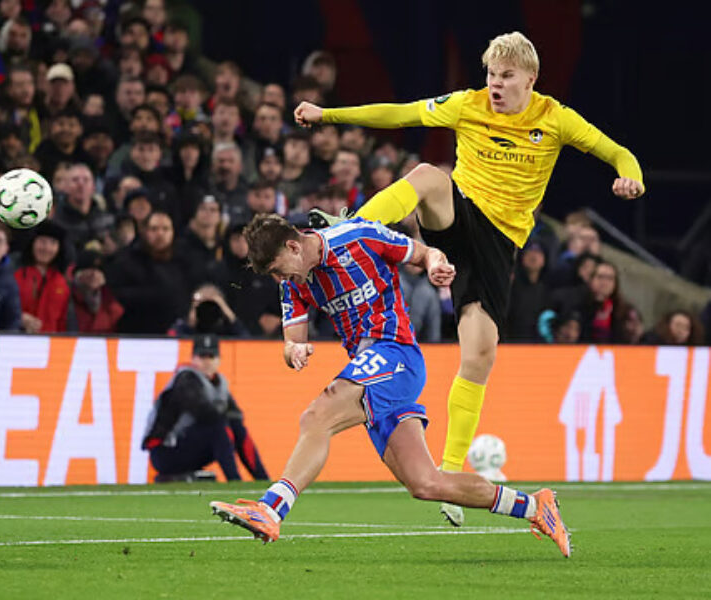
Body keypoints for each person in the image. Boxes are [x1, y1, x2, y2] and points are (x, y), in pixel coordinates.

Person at [296, 31, 644, 526]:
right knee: (429, 177)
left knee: (479, 354)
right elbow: (400, 113)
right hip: (459, 217)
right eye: (490, 75)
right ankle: (349, 231)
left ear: (530, 78)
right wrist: (329, 114)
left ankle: (451, 476)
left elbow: (618, 152)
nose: (495, 85)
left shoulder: (555, 118)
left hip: (500, 245)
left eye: (505, 77)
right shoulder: (466, 104)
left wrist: (631, 176)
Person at [208, 214, 570, 559]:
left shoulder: (359, 238)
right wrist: (295, 350)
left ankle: (271, 510)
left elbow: (423, 252)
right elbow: (292, 340)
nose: (278, 277)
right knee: (426, 484)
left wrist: (433, 266)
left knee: (317, 417)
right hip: (369, 370)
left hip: (396, 353)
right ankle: (536, 506)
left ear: (293, 246)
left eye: (276, 268)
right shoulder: (293, 284)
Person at [143, 335, 268, 482]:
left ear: (219, 360)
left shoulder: (220, 382)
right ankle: (234, 480)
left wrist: (231, 421)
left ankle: (263, 480)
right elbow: (202, 412)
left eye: (212, 356)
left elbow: (236, 417)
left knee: (237, 428)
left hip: (188, 446)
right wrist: (225, 416)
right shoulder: (186, 379)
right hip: (165, 451)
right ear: (193, 359)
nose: (207, 362)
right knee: (218, 428)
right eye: (202, 356)